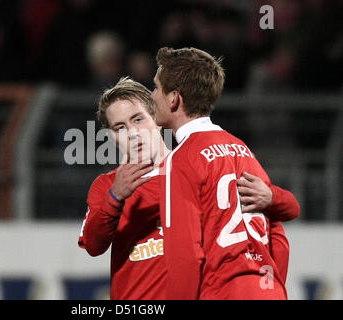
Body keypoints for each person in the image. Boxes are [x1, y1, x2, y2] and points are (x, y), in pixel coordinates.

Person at [78, 77, 299, 299]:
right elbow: (93, 246)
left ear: (156, 118)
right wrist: (115, 198)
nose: (133, 133)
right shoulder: (106, 186)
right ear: (112, 137)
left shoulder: (198, 168)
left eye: (138, 119)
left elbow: (274, 229)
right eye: (120, 127)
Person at [151, 47, 300, 299]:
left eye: (155, 88)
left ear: (174, 98)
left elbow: (185, 256)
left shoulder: (181, 159)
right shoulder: (243, 150)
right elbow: (279, 240)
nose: (151, 95)